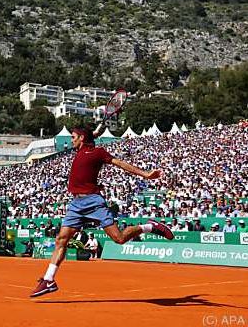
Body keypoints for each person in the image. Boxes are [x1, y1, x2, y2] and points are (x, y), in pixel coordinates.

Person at [30, 126, 173, 298]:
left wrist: (146, 174)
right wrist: (92, 134)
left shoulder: (98, 152)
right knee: (61, 239)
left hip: (93, 201)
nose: (71, 140)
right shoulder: (81, 148)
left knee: (119, 238)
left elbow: (120, 163)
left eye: (73, 137)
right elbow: (89, 138)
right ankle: (49, 279)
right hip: (76, 204)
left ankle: (149, 227)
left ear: (81, 138)